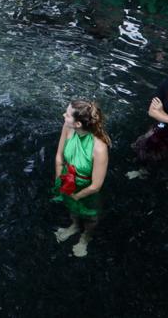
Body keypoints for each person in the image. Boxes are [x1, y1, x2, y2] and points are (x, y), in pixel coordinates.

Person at [52, 99, 110, 258]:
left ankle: (86, 238)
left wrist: (77, 196)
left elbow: (96, 185)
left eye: (67, 115)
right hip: (67, 178)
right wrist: (59, 181)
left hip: (87, 187)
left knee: (91, 216)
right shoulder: (67, 127)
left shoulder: (99, 148)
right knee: (71, 207)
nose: (63, 115)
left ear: (78, 124)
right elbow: (59, 157)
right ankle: (75, 226)